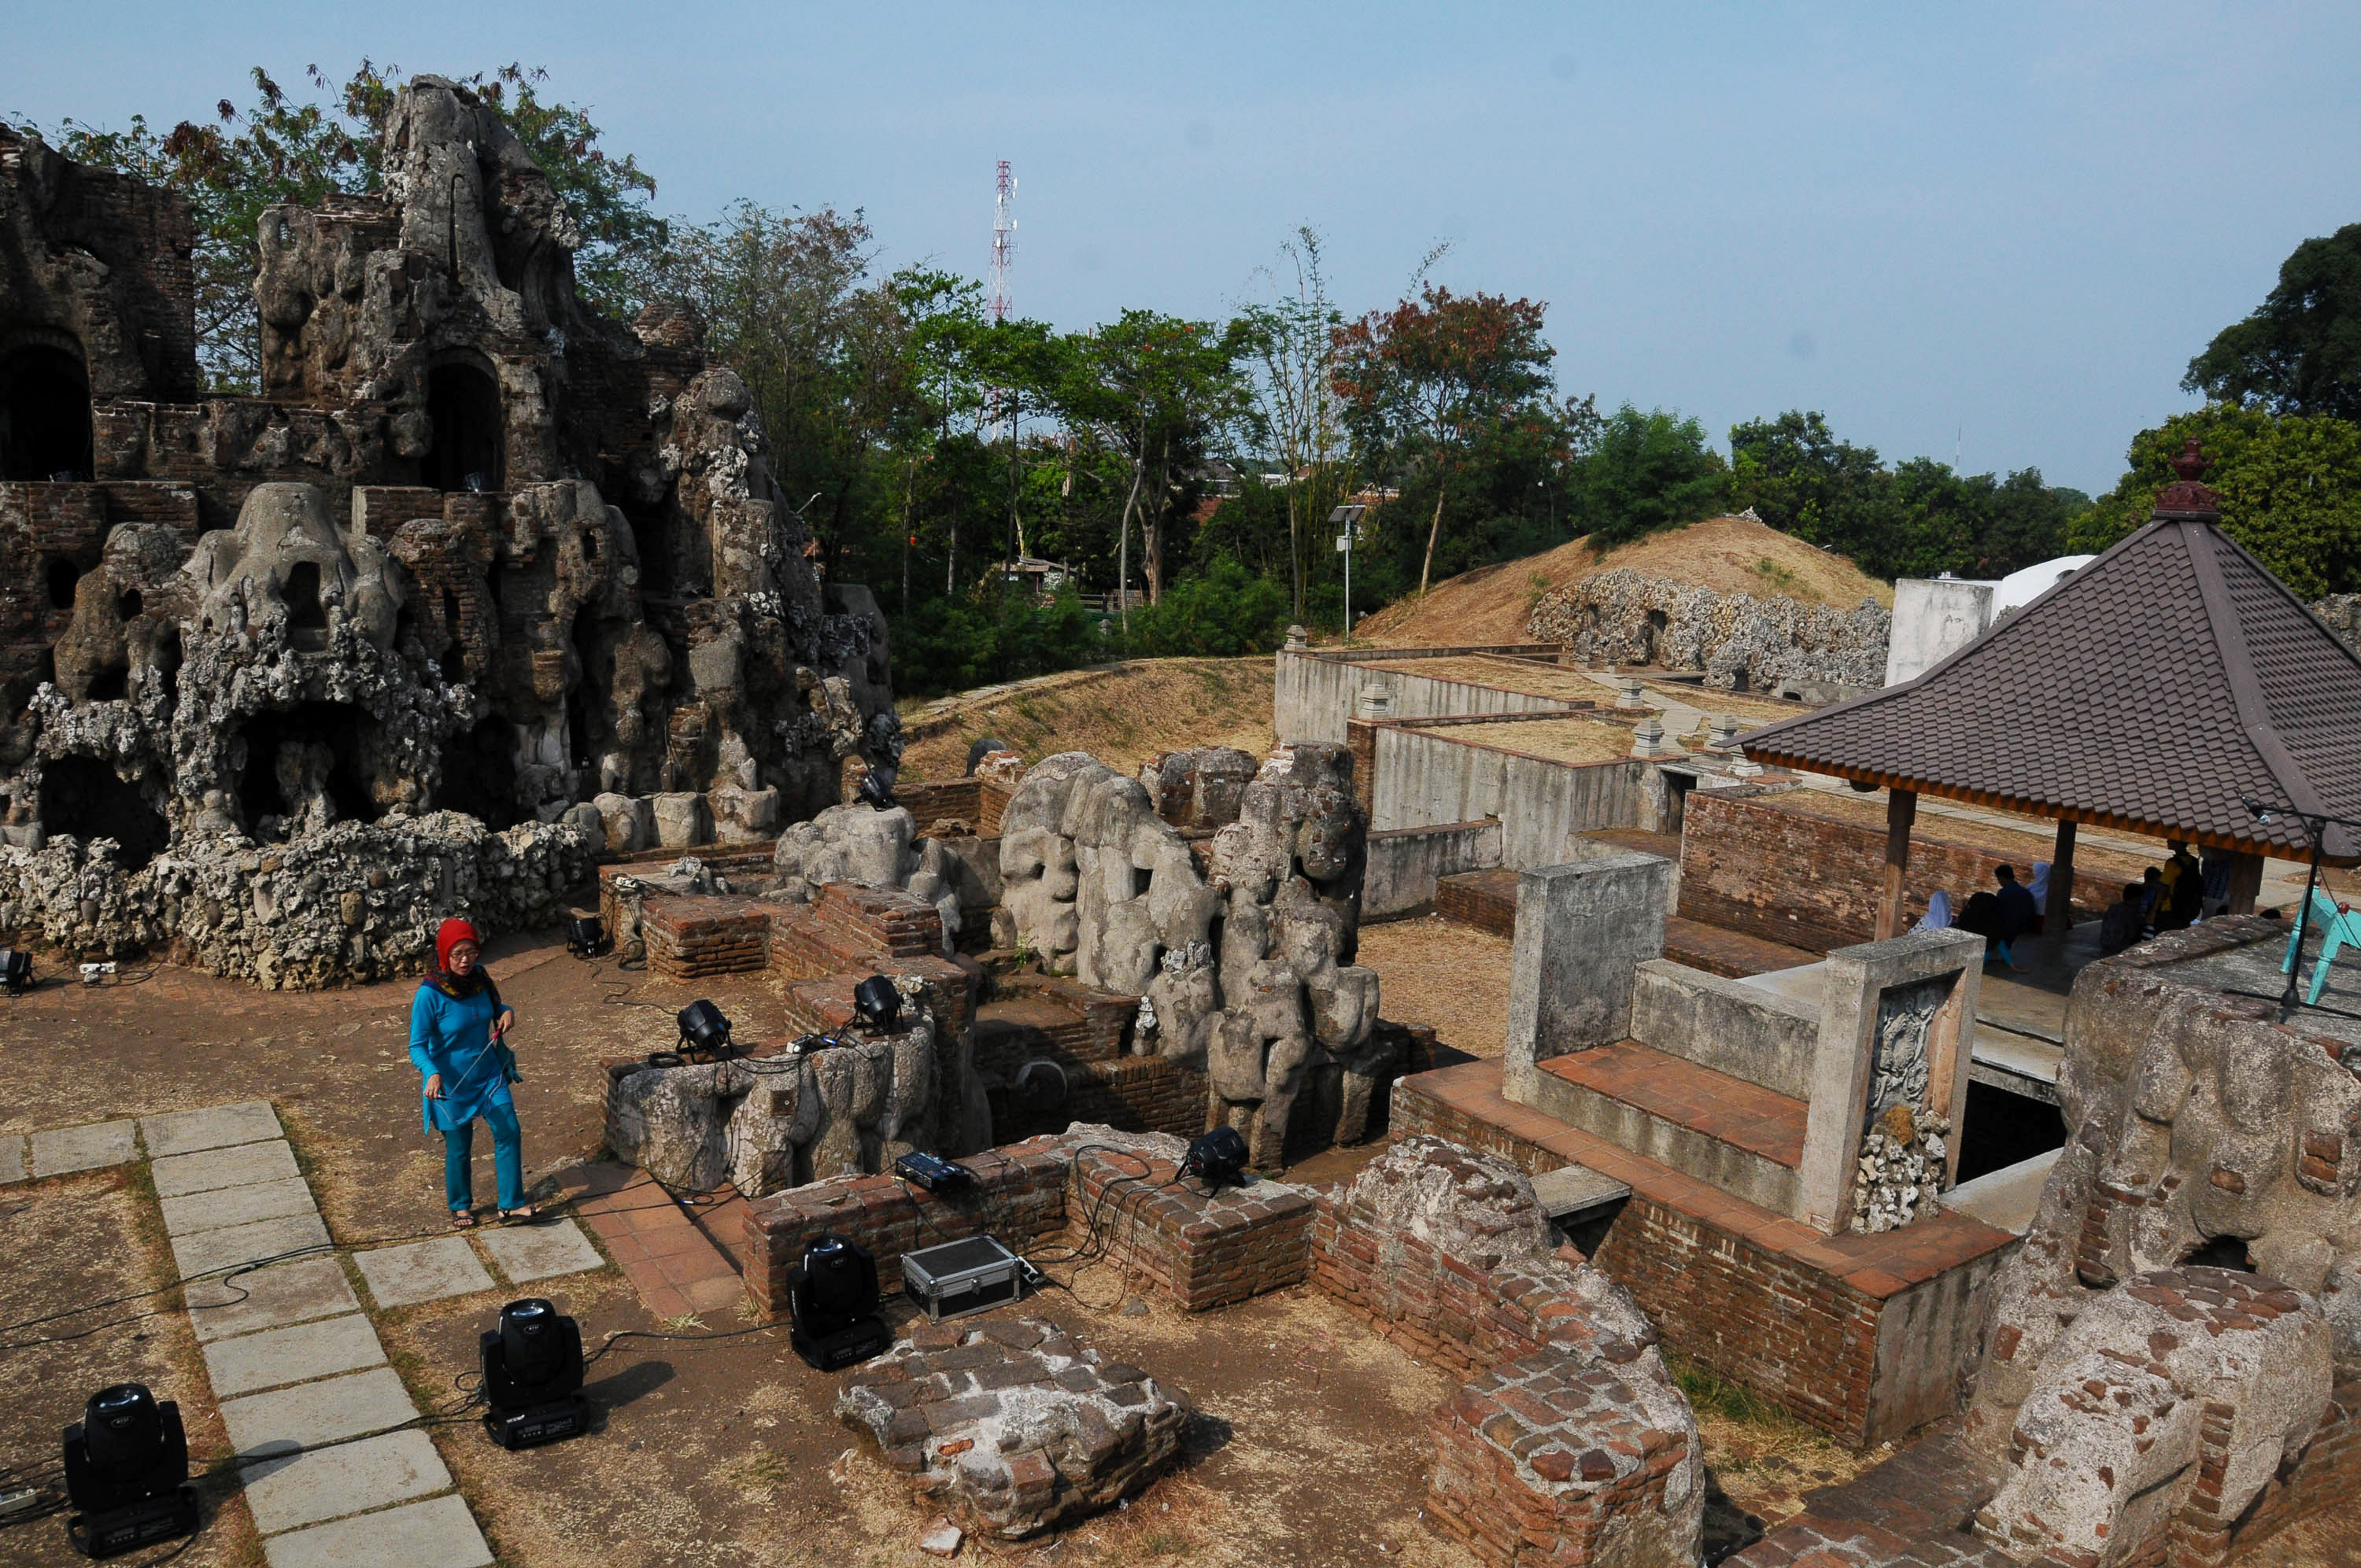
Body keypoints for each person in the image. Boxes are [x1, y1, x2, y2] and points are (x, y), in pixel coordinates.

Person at [409, 917, 534, 1226]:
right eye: (457, 954)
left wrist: (508, 1012)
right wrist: (431, 1073)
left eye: (471, 952)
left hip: (487, 1073)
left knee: (509, 1130)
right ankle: (461, 1205)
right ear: (444, 955)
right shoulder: (430, 994)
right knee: (460, 1147)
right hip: (451, 1082)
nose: (465, 961)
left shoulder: (480, 979)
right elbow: (416, 1045)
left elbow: (497, 1007)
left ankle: (511, 1203)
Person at [1990, 865, 2037, 968]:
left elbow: (1999, 913)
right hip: (2024, 927)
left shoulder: (2003, 892)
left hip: (2009, 928)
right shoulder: (2026, 892)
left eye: (1998, 879)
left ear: (2001, 878)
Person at [2158, 841, 2203, 931]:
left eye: (2171, 839)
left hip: (2169, 908)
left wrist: (2153, 911)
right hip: (2186, 908)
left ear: (2179, 843)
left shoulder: (2172, 863)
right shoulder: (2194, 861)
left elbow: (2163, 888)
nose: (2167, 841)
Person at [2100, 882, 2147, 955]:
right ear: (2137, 898)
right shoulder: (2133, 913)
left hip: (2106, 944)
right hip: (2121, 948)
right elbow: (2132, 934)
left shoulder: (2113, 907)